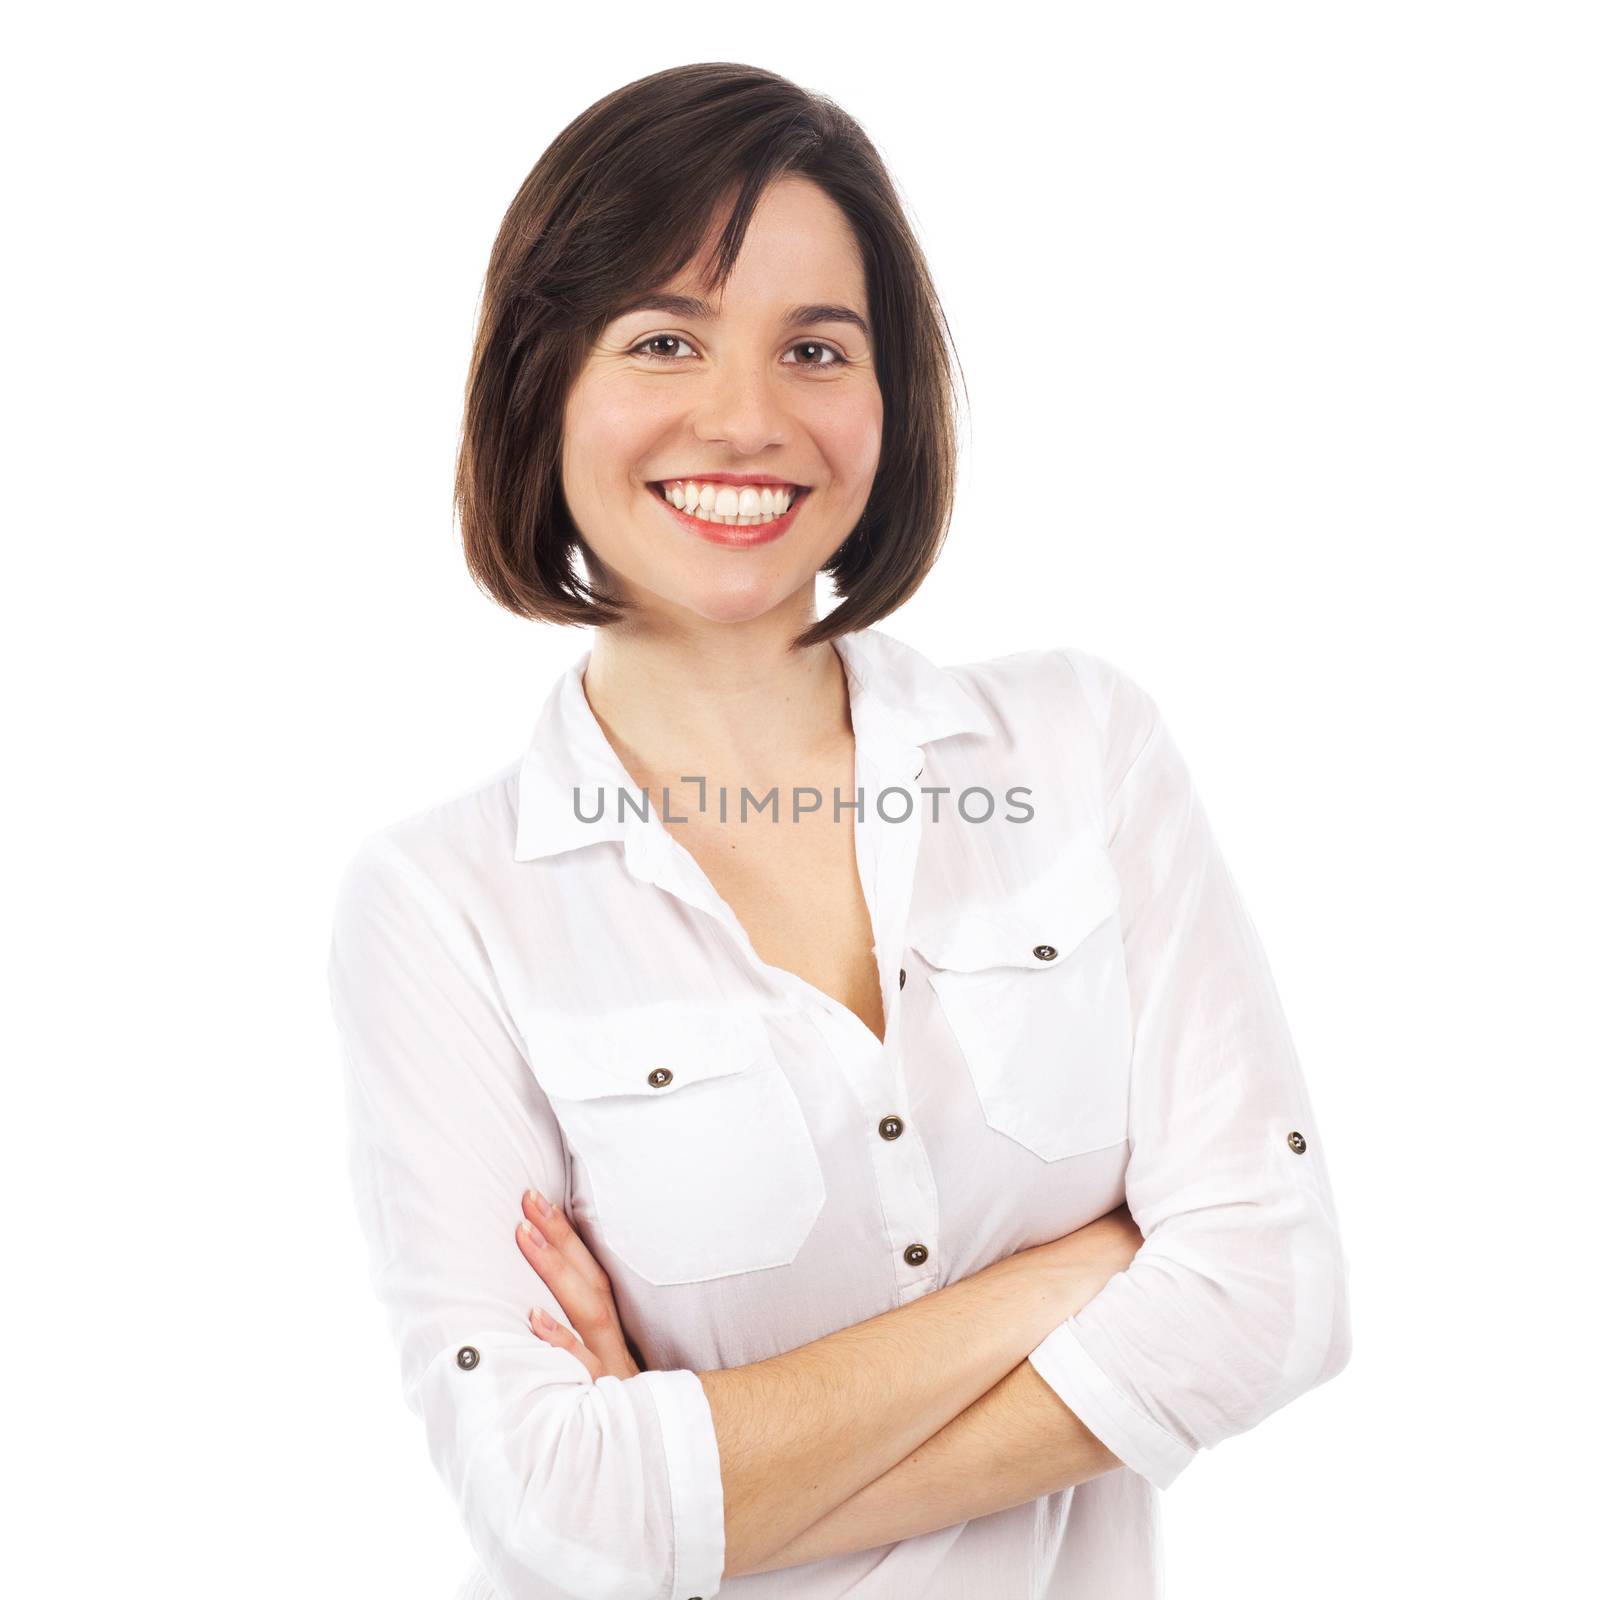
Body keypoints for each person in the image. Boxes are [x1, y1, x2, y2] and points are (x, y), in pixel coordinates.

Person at [325, 61, 1353, 1600]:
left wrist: (698, 1488)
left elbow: (1274, 1297)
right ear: (546, 387)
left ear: (890, 401)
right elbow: (549, 1513)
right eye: (664, 338)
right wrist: (1077, 1272)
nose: (745, 418)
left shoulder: (1082, 748)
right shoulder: (443, 906)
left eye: (817, 347)